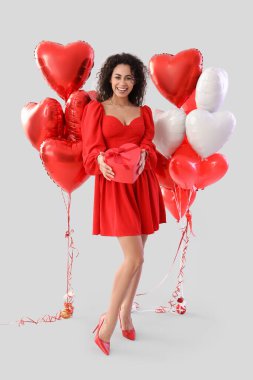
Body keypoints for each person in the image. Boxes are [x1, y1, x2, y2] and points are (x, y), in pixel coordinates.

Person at [81, 52, 167, 355]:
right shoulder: (96, 110)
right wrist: (100, 159)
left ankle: (126, 312)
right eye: (117, 76)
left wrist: (145, 153)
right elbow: (90, 152)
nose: (122, 82)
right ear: (109, 78)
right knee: (132, 257)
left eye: (129, 77)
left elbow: (149, 144)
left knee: (140, 257)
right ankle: (107, 325)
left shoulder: (143, 112)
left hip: (142, 185)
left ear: (136, 81)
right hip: (115, 186)